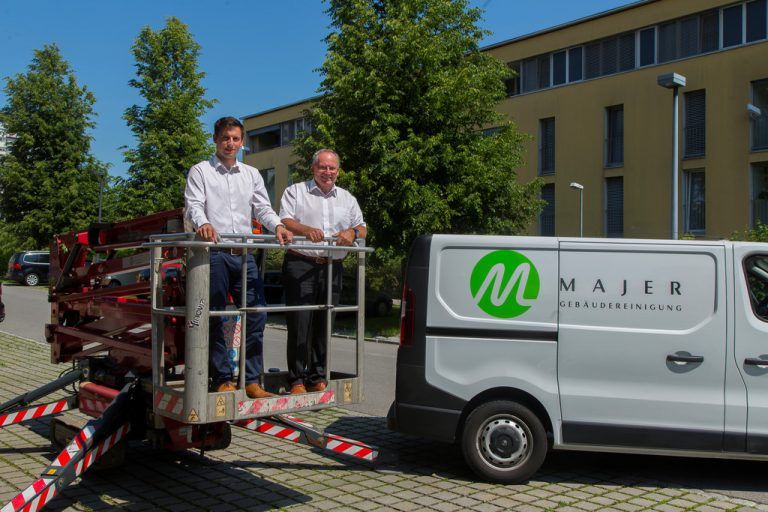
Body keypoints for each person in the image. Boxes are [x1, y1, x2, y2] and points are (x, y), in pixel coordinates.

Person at [184, 116, 292, 399]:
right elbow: (194, 205)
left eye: (235, 139)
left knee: (257, 315)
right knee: (216, 317)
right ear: (215, 140)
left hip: (244, 256)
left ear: (242, 142)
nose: (230, 144)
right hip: (215, 253)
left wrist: (278, 225)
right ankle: (221, 378)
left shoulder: (251, 174)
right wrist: (202, 224)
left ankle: (252, 380)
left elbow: (263, 209)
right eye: (225, 138)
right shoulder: (201, 171)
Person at [279, 149, 366, 394]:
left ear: (338, 171)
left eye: (332, 168)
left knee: (325, 323)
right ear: (313, 169)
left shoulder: (347, 198)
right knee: (300, 323)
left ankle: (317, 376)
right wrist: (305, 229)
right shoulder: (295, 191)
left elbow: (362, 227)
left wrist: (353, 233)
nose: (327, 172)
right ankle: (296, 379)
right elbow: (284, 220)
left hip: (333, 267)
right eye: (322, 167)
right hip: (301, 264)